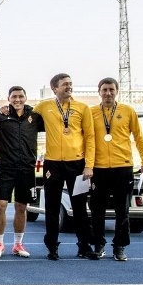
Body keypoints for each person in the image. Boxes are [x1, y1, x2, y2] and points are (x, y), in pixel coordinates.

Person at [33, 73, 96, 261]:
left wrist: (89, 165)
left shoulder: (82, 108)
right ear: (54, 88)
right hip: (52, 164)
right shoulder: (44, 106)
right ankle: (52, 247)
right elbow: (26, 115)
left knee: (79, 206)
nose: (69, 86)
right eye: (64, 84)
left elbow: (90, 137)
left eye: (70, 83)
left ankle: (84, 246)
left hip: (77, 164)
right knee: (52, 207)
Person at [90, 77, 143, 261]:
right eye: (105, 90)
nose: (108, 93)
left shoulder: (128, 111)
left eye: (111, 89)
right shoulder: (91, 112)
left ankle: (120, 246)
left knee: (122, 210)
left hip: (123, 167)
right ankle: (99, 244)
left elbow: (139, 138)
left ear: (117, 91)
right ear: (99, 92)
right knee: (97, 210)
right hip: (98, 168)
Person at [0, 86, 39, 258]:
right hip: (5, 168)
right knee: (0, 205)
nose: (17, 99)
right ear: (8, 98)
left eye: (20, 96)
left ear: (25, 97)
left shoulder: (35, 117)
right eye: (14, 96)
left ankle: (18, 244)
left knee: (21, 207)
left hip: (27, 169)